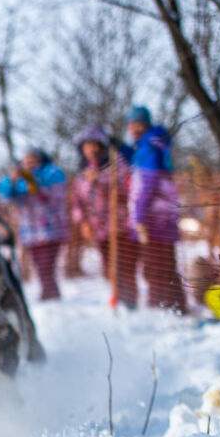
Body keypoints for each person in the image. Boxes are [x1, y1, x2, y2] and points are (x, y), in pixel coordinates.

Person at [124, 106, 186, 312]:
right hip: (165, 214)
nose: (133, 128)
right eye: (130, 124)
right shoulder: (154, 144)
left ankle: (160, 311)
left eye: (137, 123)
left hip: (153, 217)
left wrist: (140, 218)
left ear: (146, 124)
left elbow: (147, 184)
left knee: (155, 267)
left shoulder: (148, 148)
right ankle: (178, 308)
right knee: (166, 264)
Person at [69, 125, 137, 308]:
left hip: (121, 226)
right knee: (110, 269)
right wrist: (82, 222)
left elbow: (128, 189)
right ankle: (118, 301)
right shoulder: (81, 175)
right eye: (86, 146)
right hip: (99, 228)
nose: (91, 150)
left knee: (125, 268)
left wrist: (100, 181)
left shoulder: (117, 165)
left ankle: (130, 305)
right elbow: (77, 202)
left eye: (94, 145)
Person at [0, 147, 69, 300]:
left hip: (51, 229)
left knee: (46, 266)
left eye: (33, 161)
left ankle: (49, 296)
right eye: (26, 162)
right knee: (39, 266)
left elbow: (55, 197)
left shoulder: (50, 174)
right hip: (30, 232)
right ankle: (51, 295)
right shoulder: (19, 180)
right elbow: (6, 194)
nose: (29, 165)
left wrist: (35, 182)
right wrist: (14, 180)